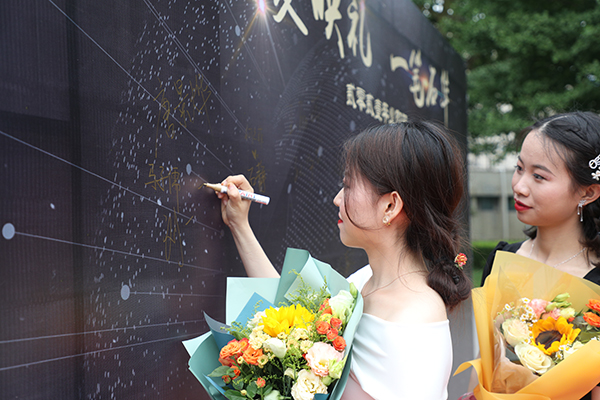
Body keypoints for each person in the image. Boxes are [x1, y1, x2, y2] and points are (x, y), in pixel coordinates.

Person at [215, 120, 471, 399]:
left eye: (348, 186)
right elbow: (284, 313)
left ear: (390, 205)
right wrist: (239, 225)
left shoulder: (417, 319)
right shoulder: (363, 281)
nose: (338, 199)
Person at [481, 111, 600, 400]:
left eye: (538, 176)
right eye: (519, 168)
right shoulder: (501, 260)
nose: (519, 186)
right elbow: (486, 362)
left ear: (587, 192)